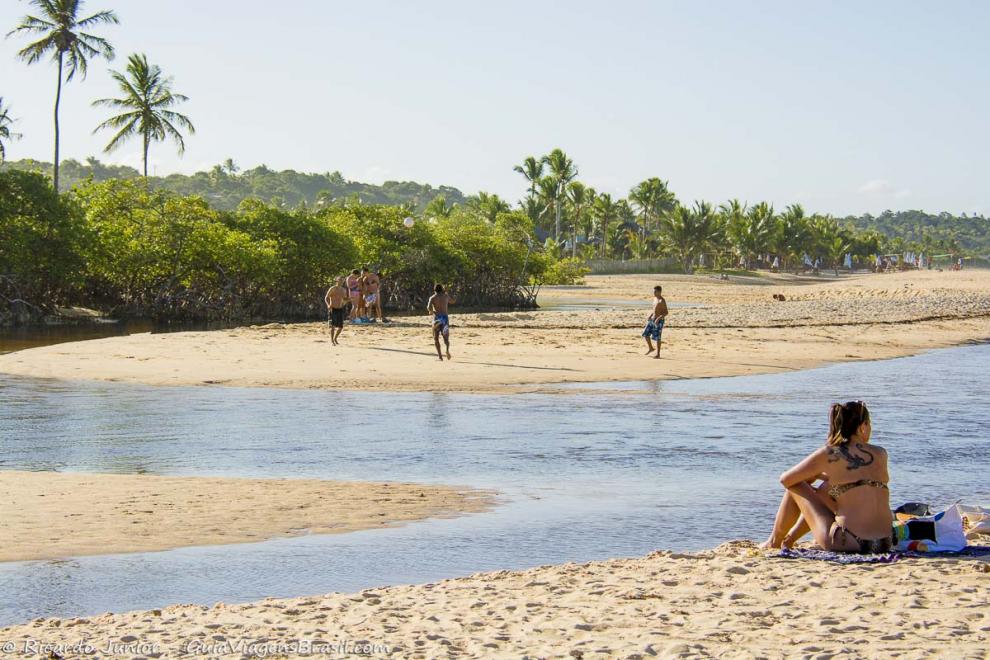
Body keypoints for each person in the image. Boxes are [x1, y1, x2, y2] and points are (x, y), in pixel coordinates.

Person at [762, 401, 893, 553]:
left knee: (796, 485)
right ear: (862, 426)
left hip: (849, 541)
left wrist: (814, 475)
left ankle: (774, 541)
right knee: (827, 489)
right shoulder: (881, 453)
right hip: (884, 543)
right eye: (870, 424)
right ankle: (789, 540)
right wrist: (822, 477)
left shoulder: (830, 453)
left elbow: (786, 480)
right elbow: (857, 480)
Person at [427, 283, 455, 361]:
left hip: (437, 318)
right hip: (445, 318)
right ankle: (447, 350)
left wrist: (431, 311)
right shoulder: (446, 296)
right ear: (442, 289)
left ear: (434, 290)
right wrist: (448, 293)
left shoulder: (432, 298)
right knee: (446, 338)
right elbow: (453, 301)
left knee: (436, 338)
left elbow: (428, 307)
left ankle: (440, 357)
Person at [642, 285, 668, 359]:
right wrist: (650, 315)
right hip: (652, 319)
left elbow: (666, 312)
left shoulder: (662, 301)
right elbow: (654, 309)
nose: (654, 293)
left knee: (657, 337)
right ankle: (651, 348)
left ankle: (658, 354)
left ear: (659, 292)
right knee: (645, 334)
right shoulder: (655, 299)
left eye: (655, 291)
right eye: (653, 291)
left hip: (659, 321)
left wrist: (658, 318)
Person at [324, 276, 348, 345]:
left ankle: (335, 338)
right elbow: (326, 297)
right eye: (340, 280)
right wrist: (328, 305)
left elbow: (344, 299)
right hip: (333, 309)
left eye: (342, 281)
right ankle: (332, 341)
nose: (341, 282)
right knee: (333, 326)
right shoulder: (332, 288)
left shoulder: (344, 290)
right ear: (336, 281)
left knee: (340, 327)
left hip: (340, 309)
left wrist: (350, 299)